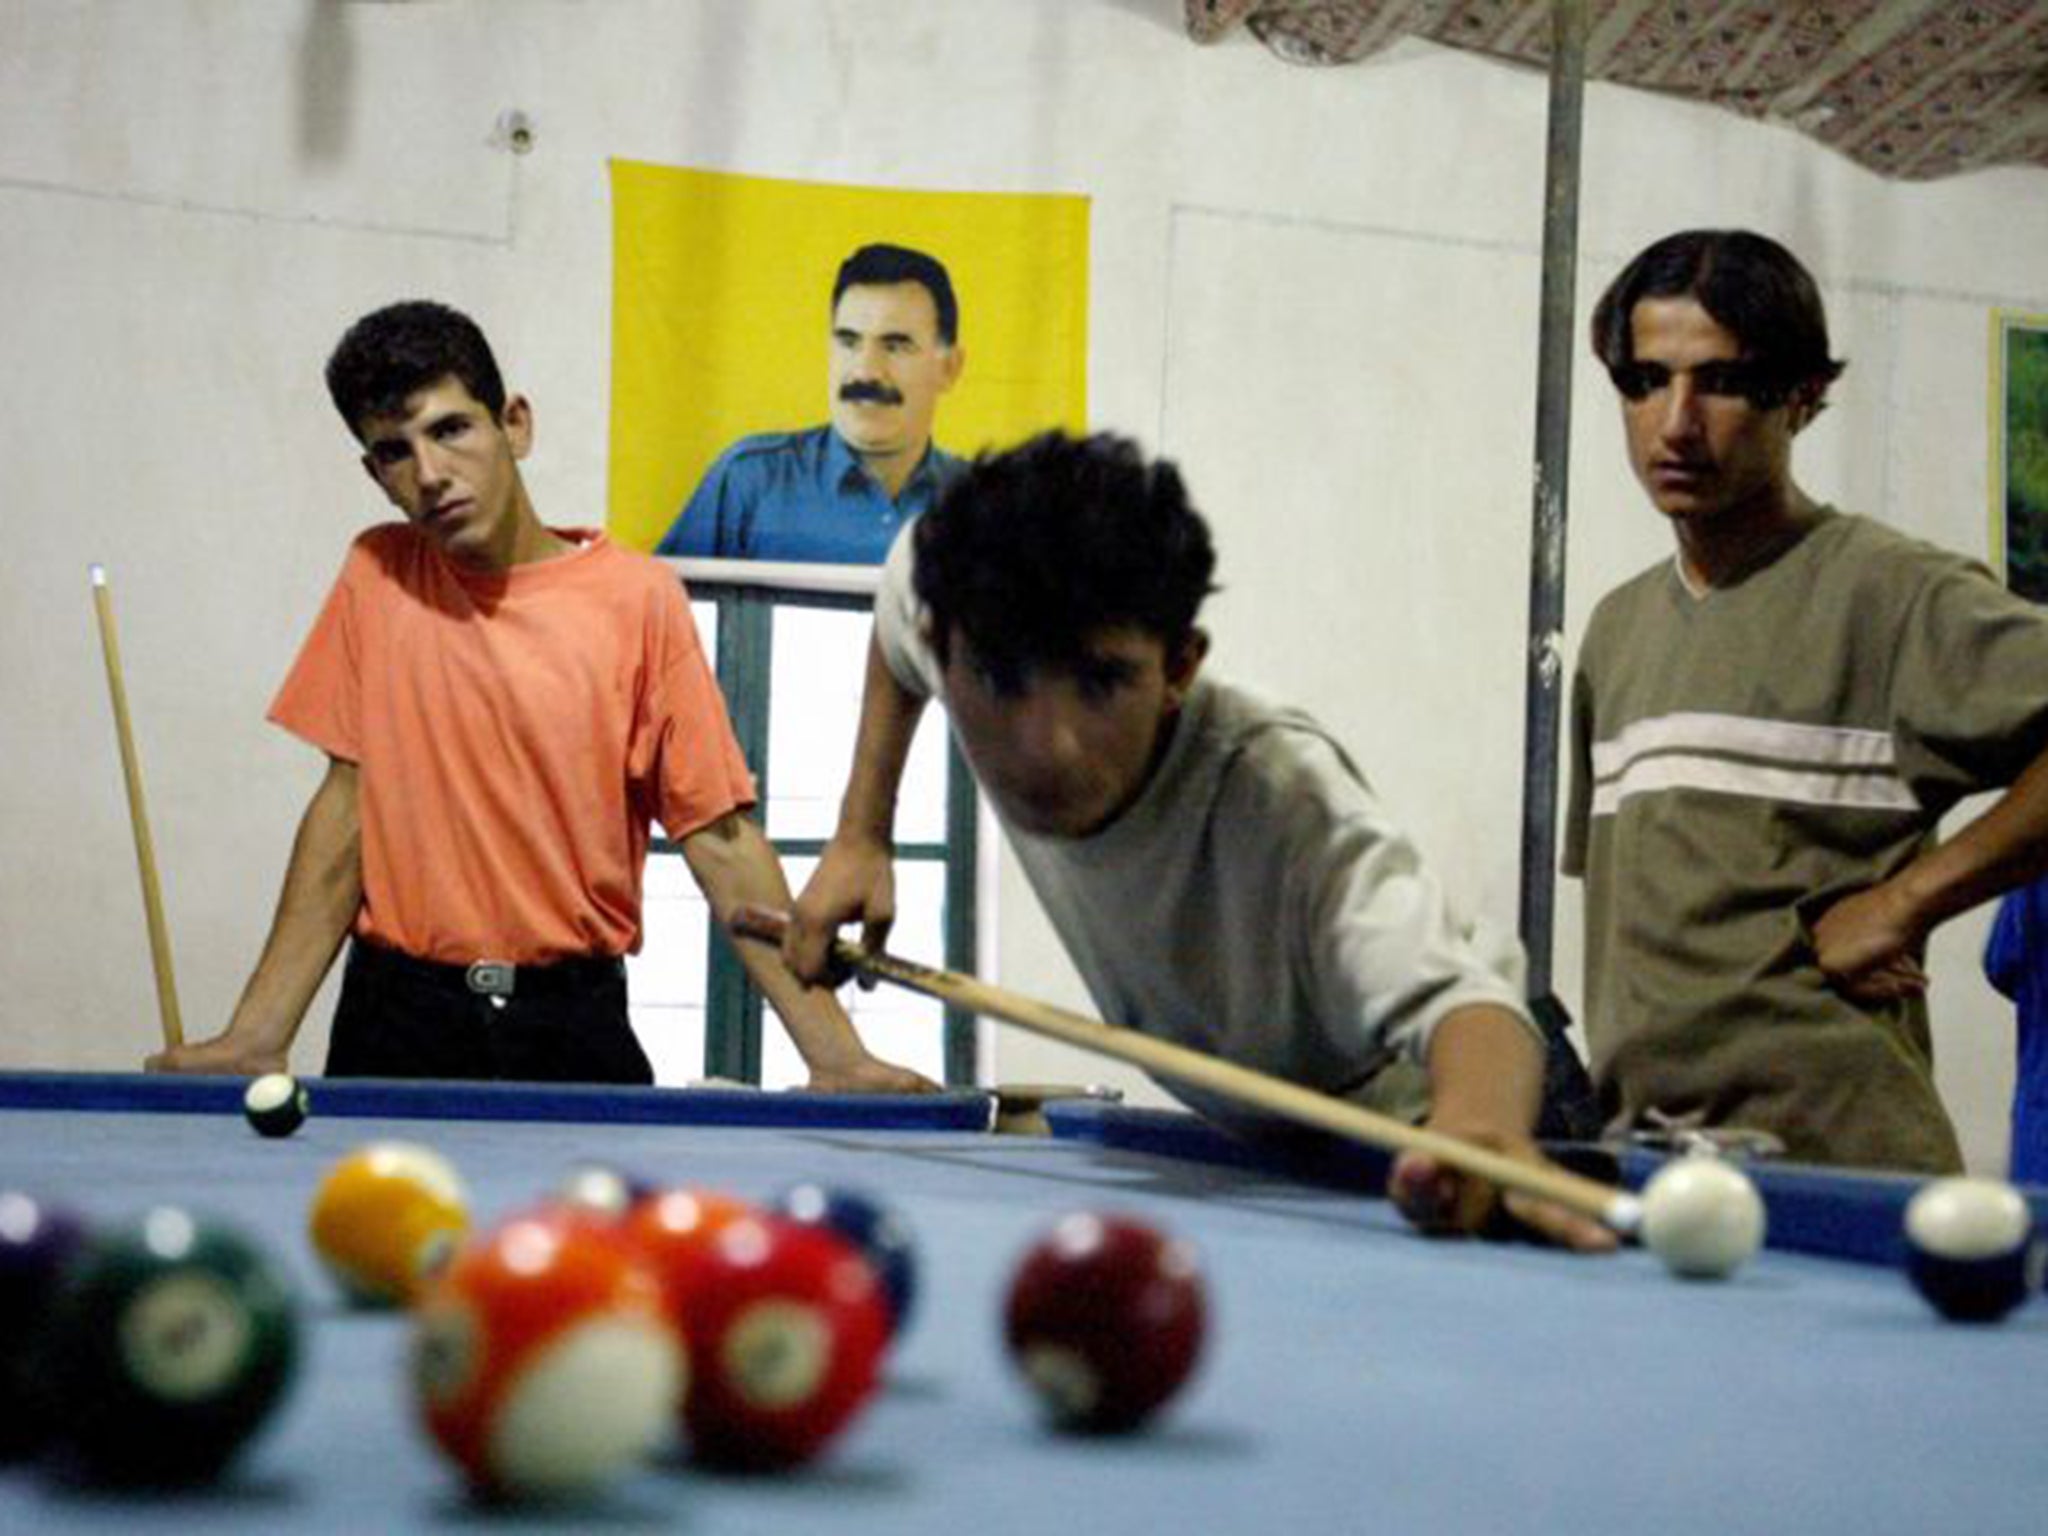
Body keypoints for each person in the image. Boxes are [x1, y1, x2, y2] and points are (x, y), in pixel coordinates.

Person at [784, 429, 1615, 1249]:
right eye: (1001, 680)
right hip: (1278, 1150)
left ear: (1181, 666)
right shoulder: (957, 604)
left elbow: (1468, 1007)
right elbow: (897, 625)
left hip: (1463, 1123)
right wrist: (862, 834)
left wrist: (1478, 1141)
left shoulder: (1281, 798)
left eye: (1103, 681)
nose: (1051, 747)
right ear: (946, 648)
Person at [147, 300, 931, 1092]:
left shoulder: (638, 599)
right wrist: (256, 1036)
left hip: (572, 1023)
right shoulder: (377, 576)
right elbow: (346, 810)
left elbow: (722, 845)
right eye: (394, 451)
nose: (428, 473)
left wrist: (838, 1056)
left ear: (513, 424)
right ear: (374, 474)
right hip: (396, 1020)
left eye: (451, 429)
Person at [1565, 229, 2048, 1172]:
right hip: (1655, 1179)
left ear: (1803, 397)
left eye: (1721, 382)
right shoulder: (1615, 631)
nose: (1675, 422)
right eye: (1645, 381)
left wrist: (1911, 900)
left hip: (1842, 1177)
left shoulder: (1894, 594)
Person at [655, 243, 966, 564]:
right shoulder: (749, 483)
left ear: (949, 368)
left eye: (896, 345)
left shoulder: (990, 507)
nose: (866, 371)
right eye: (849, 341)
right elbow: (659, 609)